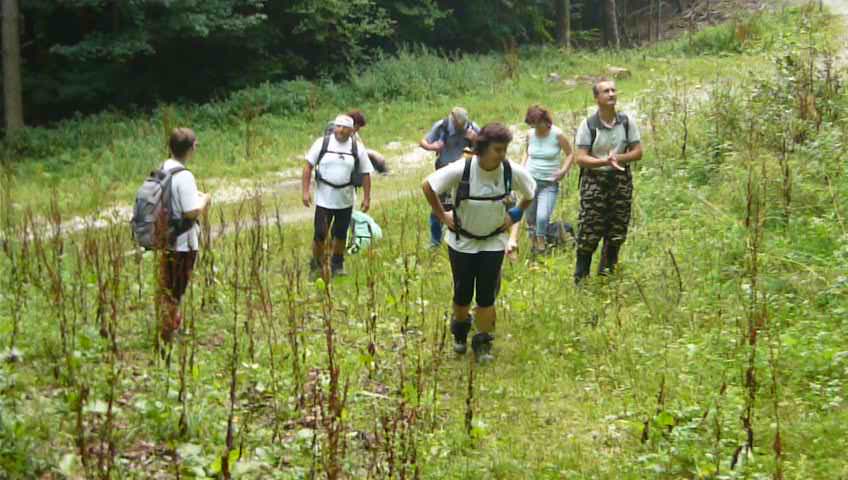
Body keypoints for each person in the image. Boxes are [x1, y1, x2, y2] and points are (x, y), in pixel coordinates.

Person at [422, 123, 536, 363]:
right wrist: (443, 215)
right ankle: (460, 332)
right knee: (462, 294)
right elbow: (428, 185)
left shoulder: (509, 171)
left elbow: (530, 193)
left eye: (505, 149)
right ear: (482, 148)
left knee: (486, 296)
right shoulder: (461, 170)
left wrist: (513, 215)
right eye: (497, 149)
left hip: (493, 242)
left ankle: (483, 342)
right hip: (462, 242)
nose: (502, 154)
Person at [573, 79, 643, 283]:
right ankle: (581, 279)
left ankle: (607, 277)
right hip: (595, 181)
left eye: (613, 90)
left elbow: (638, 151)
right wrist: (603, 161)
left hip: (620, 180)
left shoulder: (626, 122)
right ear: (597, 98)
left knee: (617, 230)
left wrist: (618, 158)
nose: (611, 94)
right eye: (606, 91)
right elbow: (580, 158)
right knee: (589, 230)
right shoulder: (588, 125)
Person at [303, 114, 373, 278]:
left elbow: (366, 173)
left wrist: (367, 197)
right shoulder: (322, 143)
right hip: (324, 198)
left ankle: (337, 264)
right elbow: (307, 167)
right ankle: (316, 265)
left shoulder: (356, 148)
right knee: (320, 233)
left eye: (344, 128)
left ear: (351, 130)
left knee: (340, 234)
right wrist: (305, 192)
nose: (340, 130)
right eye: (338, 126)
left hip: (345, 198)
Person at [159, 127, 211, 342]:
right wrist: (205, 200)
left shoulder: (163, 169)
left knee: (167, 285)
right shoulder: (185, 176)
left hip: (164, 236)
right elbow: (191, 211)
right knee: (176, 289)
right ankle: (169, 332)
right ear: (190, 149)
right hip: (182, 242)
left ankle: (170, 325)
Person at [508, 105, 574, 256]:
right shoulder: (530, 134)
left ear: (545, 121)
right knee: (531, 219)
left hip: (549, 183)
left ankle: (542, 244)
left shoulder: (557, 134)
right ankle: (535, 251)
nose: (536, 128)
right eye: (532, 125)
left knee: (542, 217)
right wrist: (522, 167)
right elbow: (527, 152)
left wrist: (563, 171)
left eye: (538, 124)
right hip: (530, 182)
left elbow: (570, 154)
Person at [419, 107, 480, 248]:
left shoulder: (472, 127)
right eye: (458, 124)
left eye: (463, 124)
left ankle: (463, 238)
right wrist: (432, 147)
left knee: (465, 206)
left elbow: (485, 148)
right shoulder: (442, 126)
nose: (461, 127)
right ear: (452, 117)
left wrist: (475, 140)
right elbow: (422, 142)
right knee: (438, 208)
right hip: (444, 173)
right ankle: (435, 241)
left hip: (465, 174)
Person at [346, 110, 389, 174]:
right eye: (357, 127)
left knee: (377, 157)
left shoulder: (354, 134)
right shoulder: (340, 133)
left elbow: (361, 147)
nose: (358, 129)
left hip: (355, 154)